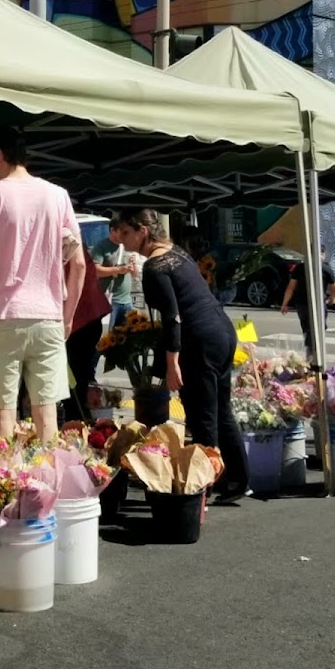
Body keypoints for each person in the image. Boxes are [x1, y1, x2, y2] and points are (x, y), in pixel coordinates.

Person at [116, 208, 250, 499]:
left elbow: (172, 316)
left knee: (201, 415)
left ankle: (200, 486)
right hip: (221, 330)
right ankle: (237, 479)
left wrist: (171, 363)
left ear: (142, 231)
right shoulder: (177, 253)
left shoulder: (155, 265)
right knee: (220, 408)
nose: (122, 240)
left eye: (126, 232)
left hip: (198, 338)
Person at [0, 125, 84, 442]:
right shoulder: (58, 195)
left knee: (3, 413)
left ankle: (6, 487)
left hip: (3, 316)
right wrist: (68, 315)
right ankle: (47, 486)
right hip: (48, 316)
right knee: (47, 414)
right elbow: (79, 263)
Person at [64, 240, 112, 420]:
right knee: (80, 373)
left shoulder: (65, 244)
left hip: (79, 318)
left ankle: (75, 419)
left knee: (75, 375)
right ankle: (79, 416)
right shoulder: (74, 241)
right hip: (90, 315)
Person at [279, 251, 335, 353]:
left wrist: (285, 304)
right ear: (323, 255)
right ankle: (313, 352)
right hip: (318, 303)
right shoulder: (325, 269)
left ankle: (311, 351)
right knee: (318, 328)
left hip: (302, 303)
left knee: (307, 328)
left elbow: (291, 287)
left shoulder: (300, 268)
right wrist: (332, 299)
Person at [91, 218, 142, 327]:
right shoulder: (101, 247)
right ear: (112, 230)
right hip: (110, 300)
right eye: (121, 231)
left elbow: (135, 274)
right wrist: (119, 270)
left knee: (128, 335)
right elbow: (95, 271)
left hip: (127, 300)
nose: (124, 235)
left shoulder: (127, 246)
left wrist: (133, 266)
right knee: (109, 338)